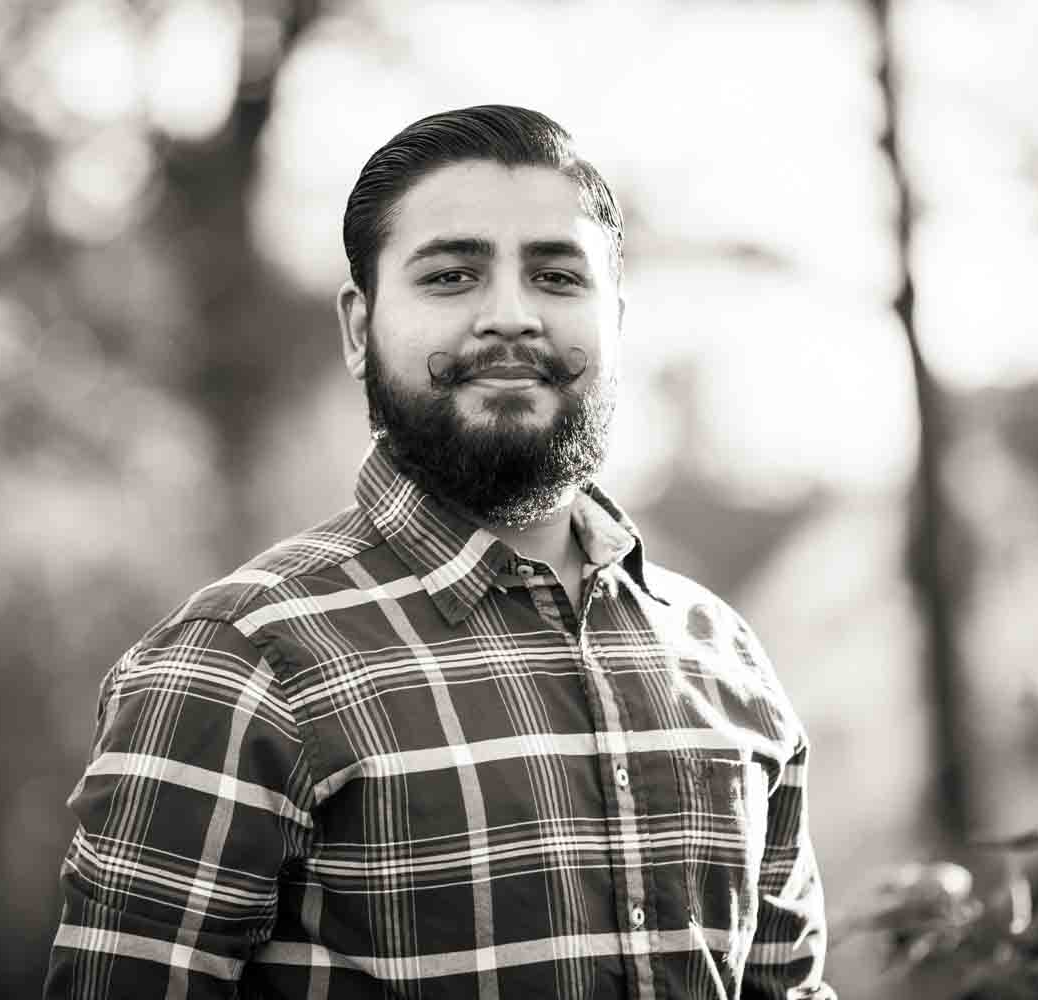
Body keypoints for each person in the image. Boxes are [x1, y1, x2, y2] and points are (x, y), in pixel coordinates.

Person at [45, 104, 835, 1000]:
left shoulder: (724, 658)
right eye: (452, 276)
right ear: (359, 330)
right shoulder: (237, 664)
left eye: (557, 276)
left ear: (615, 322)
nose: (510, 316)